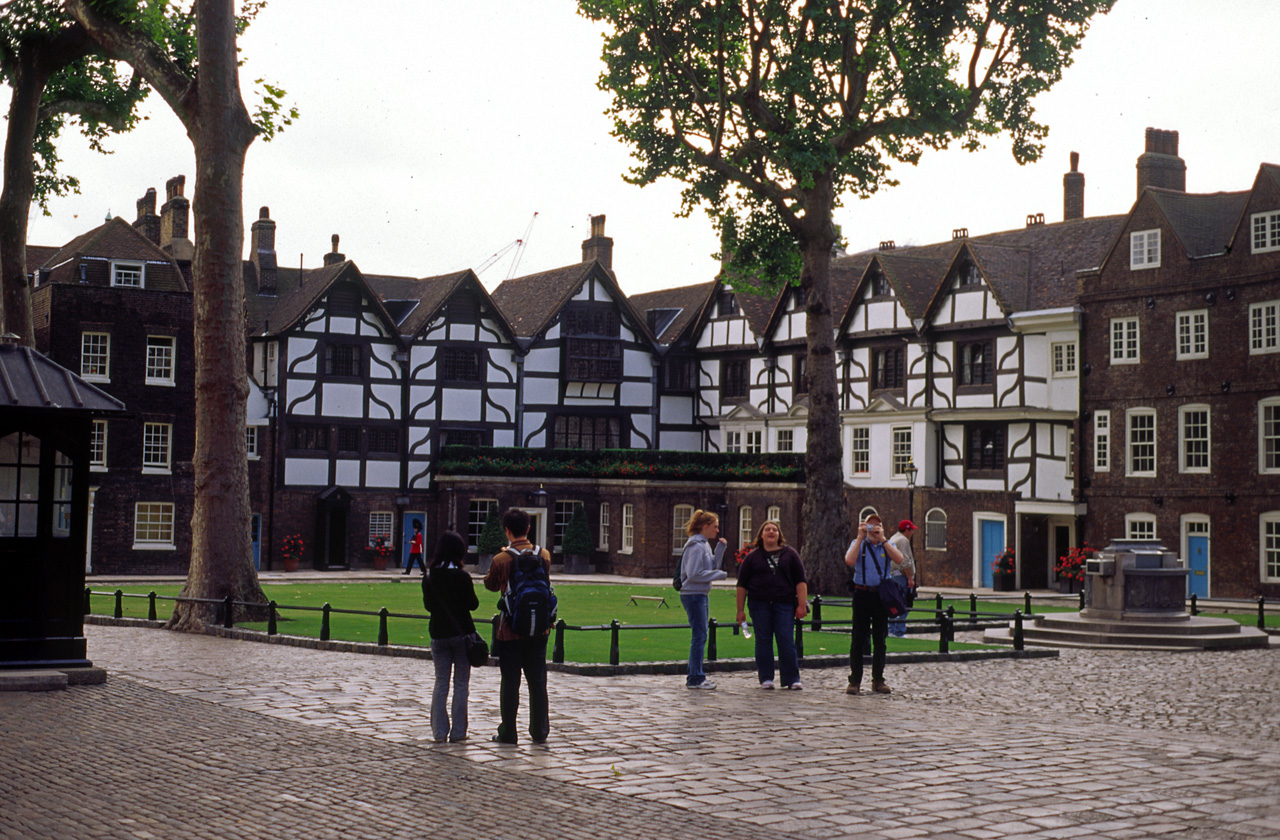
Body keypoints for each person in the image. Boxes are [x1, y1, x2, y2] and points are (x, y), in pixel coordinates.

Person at [483, 508, 552, 744]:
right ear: (528, 529)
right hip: (540, 628)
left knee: (510, 681)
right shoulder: (544, 555)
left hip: (509, 629)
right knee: (538, 681)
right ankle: (540, 730)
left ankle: (508, 732)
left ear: (507, 531)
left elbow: (491, 586)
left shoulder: (502, 559)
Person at [735, 520, 808, 690]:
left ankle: (792, 678)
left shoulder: (790, 554)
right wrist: (740, 610)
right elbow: (742, 585)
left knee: (786, 639)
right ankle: (766, 677)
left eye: (774, 530)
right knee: (763, 640)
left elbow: (801, 581)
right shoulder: (752, 557)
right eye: (767, 529)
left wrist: (802, 605)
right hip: (759, 604)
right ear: (761, 535)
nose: (771, 532)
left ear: (779, 535)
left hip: (784, 604)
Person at [420, 530, 478, 743]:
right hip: (461, 634)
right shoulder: (462, 576)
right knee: (461, 683)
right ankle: (458, 732)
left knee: (441, 683)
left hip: (438, 634)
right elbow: (473, 604)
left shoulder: (429, 576)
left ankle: (439, 732)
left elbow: (429, 606)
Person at [844, 512, 906, 696]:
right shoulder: (859, 544)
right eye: (869, 526)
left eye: (876, 526)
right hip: (862, 593)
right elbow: (849, 560)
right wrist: (860, 537)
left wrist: (883, 539)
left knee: (880, 639)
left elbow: (899, 559)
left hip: (881, 595)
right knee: (858, 638)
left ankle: (878, 679)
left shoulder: (887, 545)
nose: (873, 530)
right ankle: (855, 680)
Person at [678, 509, 727, 690]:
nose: (717, 530)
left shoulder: (704, 544)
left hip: (700, 594)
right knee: (699, 636)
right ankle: (695, 678)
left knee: (701, 635)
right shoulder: (695, 545)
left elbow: (712, 565)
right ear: (705, 526)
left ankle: (696, 675)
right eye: (714, 527)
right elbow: (694, 574)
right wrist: (720, 575)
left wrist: (720, 549)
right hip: (693, 594)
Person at [885, 520, 918, 638]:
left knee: (894, 602)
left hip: (893, 574)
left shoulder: (894, 538)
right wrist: (910, 578)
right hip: (900, 576)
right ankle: (898, 630)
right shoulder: (903, 541)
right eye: (911, 530)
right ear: (907, 530)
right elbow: (905, 562)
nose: (913, 532)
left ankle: (892, 629)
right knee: (905, 603)